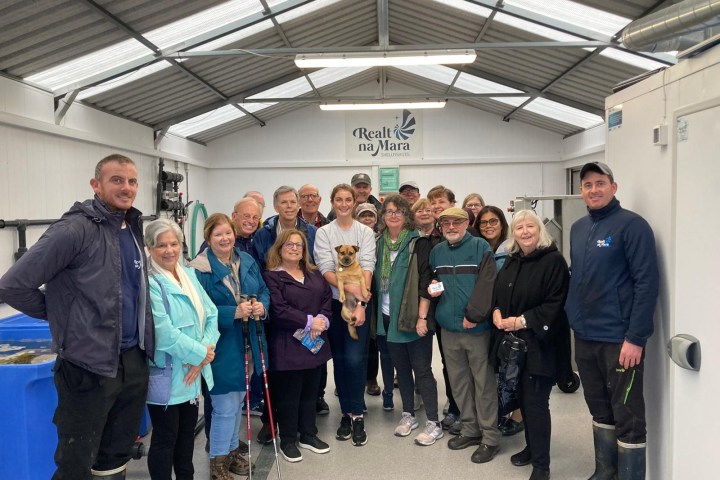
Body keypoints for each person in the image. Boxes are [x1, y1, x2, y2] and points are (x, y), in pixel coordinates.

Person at [0, 154, 155, 480]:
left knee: (115, 456)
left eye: (131, 181)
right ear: (95, 185)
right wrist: (66, 317)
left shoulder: (132, 228)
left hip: (132, 361)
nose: (126, 188)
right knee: (76, 463)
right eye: (116, 180)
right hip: (88, 368)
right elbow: (13, 286)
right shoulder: (74, 230)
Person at [565, 162, 659, 480]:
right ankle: (604, 471)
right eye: (588, 184)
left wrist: (636, 338)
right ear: (581, 191)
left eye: (600, 183)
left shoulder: (633, 226)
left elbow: (647, 284)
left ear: (613, 187)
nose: (594, 189)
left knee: (628, 413)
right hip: (585, 336)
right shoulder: (578, 229)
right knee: (598, 406)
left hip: (620, 340)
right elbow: (577, 277)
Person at [491, 210, 572, 480]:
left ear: (540, 230)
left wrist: (520, 321)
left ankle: (542, 466)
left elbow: (554, 304)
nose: (525, 232)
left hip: (541, 344)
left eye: (530, 226)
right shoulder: (513, 260)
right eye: (519, 227)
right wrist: (496, 311)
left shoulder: (554, 261)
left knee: (536, 404)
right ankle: (531, 447)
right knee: (523, 401)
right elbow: (500, 292)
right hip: (515, 346)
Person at [189, 213, 270, 480]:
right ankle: (217, 462)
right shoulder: (200, 269)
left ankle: (232, 450)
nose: (225, 239)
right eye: (218, 235)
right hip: (220, 346)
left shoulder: (245, 260)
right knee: (224, 405)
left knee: (237, 402)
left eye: (228, 233)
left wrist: (262, 306)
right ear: (208, 238)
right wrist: (231, 313)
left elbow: (263, 290)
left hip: (247, 341)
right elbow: (197, 311)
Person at [144, 219, 220, 480]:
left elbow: (211, 314)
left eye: (174, 244)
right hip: (166, 377)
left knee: (186, 439)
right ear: (149, 248)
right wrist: (201, 354)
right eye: (161, 245)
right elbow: (163, 334)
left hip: (193, 372)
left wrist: (203, 356)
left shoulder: (187, 274)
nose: (169, 250)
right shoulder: (150, 282)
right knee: (165, 440)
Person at [428, 207, 500, 464]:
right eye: (445, 223)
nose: (450, 227)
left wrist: (474, 315)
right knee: (458, 382)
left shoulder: (481, 248)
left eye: (456, 222)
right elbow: (435, 283)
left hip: (476, 328)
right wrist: (433, 290)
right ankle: (470, 429)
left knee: (483, 383)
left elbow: (488, 284)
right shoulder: (437, 252)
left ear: (467, 223)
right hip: (448, 328)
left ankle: (490, 436)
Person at [373, 195, 443, 446]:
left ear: (407, 215)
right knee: (400, 369)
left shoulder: (419, 242)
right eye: (388, 211)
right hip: (387, 317)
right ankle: (408, 415)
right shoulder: (378, 243)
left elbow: (427, 281)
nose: (393, 215)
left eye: (398, 211)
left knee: (422, 369)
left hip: (414, 317)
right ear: (382, 216)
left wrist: (423, 316)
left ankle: (434, 422)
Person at [262, 229, 333, 462]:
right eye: (289, 245)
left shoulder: (314, 275)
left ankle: (308, 434)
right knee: (289, 395)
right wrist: (310, 321)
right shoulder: (272, 276)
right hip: (287, 344)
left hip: (314, 344)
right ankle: (289, 440)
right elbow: (279, 310)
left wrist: (323, 320)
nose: (294, 248)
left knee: (310, 392)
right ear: (279, 248)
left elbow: (325, 300)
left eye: (299, 245)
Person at [314, 184, 376, 446]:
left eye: (347, 199)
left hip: (360, 303)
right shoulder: (324, 233)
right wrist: (350, 288)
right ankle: (346, 413)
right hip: (335, 303)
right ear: (332, 202)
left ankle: (358, 413)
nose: (343, 203)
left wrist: (361, 303)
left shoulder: (365, 232)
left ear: (354, 202)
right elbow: (326, 267)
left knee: (355, 360)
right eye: (338, 199)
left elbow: (368, 265)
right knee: (340, 360)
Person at [476, 205, 523, 436]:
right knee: (500, 369)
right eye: (483, 223)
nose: (488, 226)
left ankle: (518, 414)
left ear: (502, 223)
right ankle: (505, 411)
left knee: (514, 368)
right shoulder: (483, 249)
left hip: (511, 317)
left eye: (493, 221)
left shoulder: (512, 247)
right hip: (491, 316)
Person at [424, 185, 462, 433]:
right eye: (433, 203)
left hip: (461, 310)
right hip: (437, 310)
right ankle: (455, 406)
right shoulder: (429, 236)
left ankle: (460, 409)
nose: (437, 206)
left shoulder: (456, 232)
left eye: (442, 202)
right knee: (448, 362)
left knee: (459, 363)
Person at [253, 186, 317, 269]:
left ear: (298, 205)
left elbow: (316, 266)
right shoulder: (262, 235)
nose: (289, 206)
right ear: (276, 207)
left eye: (293, 202)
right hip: (271, 281)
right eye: (284, 202)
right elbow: (259, 269)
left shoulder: (313, 233)